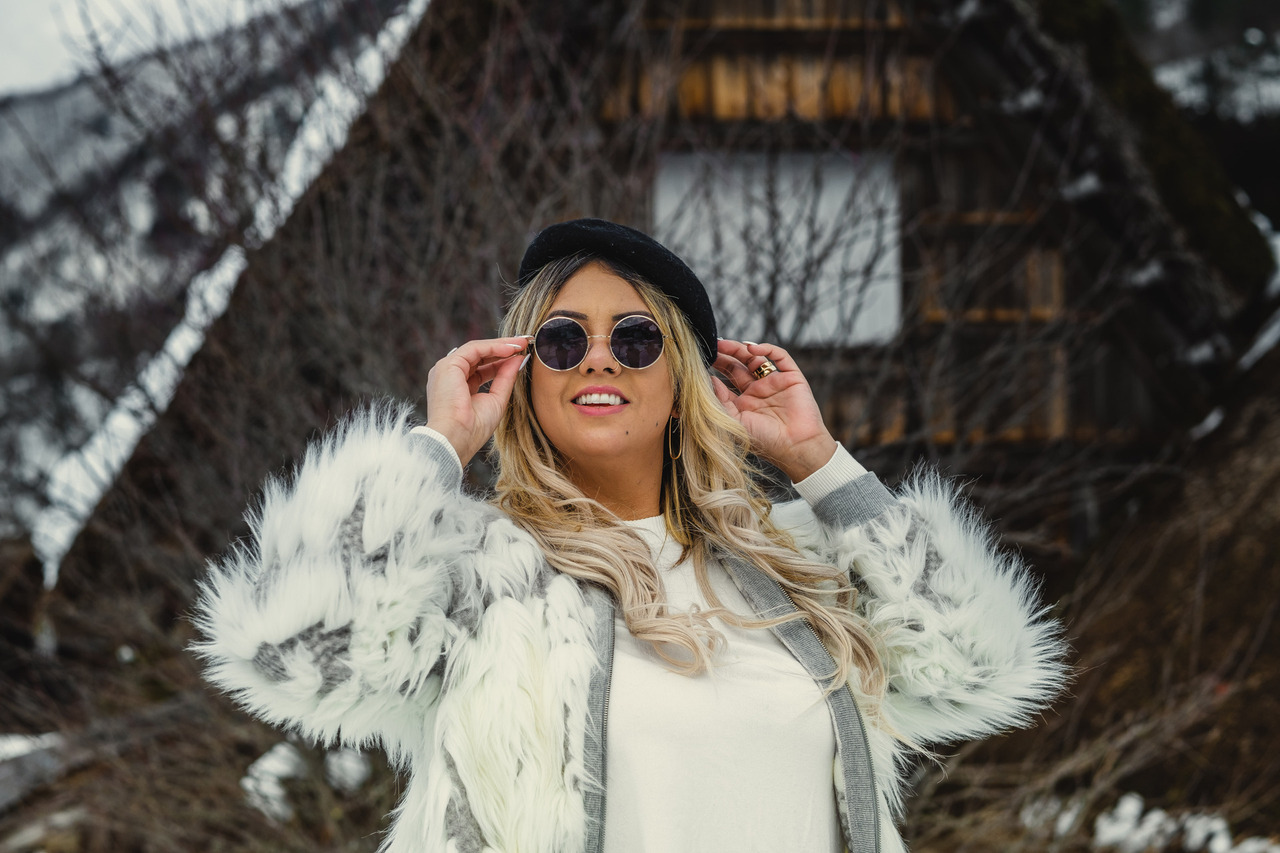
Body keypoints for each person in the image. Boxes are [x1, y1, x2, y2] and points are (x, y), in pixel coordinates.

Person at [194, 218, 1067, 853]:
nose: (600, 359)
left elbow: (975, 668)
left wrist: (821, 464)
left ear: (683, 376)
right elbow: (294, 649)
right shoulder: (480, 580)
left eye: (639, 338)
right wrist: (437, 447)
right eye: (565, 340)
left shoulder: (792, 571)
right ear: (527, 375)